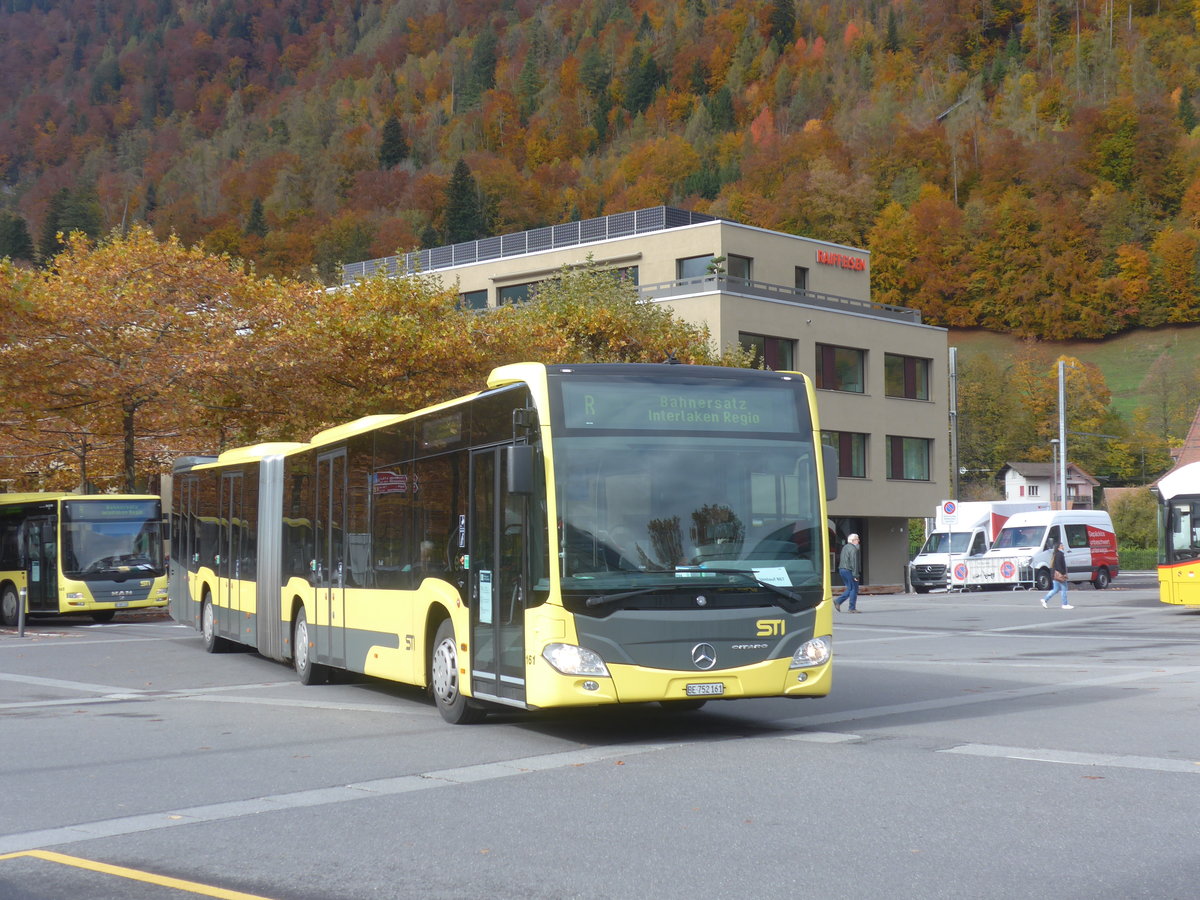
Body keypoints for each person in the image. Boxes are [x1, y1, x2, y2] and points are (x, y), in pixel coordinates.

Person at [1040, 540, 1073, 610]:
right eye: (1061, 546)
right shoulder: (1059, 555)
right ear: (1058, 547)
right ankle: (1065, 604)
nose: (1063, 547)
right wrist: (1063, 573)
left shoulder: (1056, 554)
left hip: (1055, 575)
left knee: (1056, 589)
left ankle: (1045, 599)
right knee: (1064, 589)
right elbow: (1059, 566)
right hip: (1059, 575)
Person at [834, 533, 861, 612]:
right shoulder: (854, 549)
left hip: (842, 569)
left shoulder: (845, 547)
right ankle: (851, 608)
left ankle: (839, 601)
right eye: (857, 539)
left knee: (850, 588)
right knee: (853, 589)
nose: (858, 540)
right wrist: (856, 575)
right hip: (849, 570)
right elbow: (854, 562)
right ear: (853, 540)